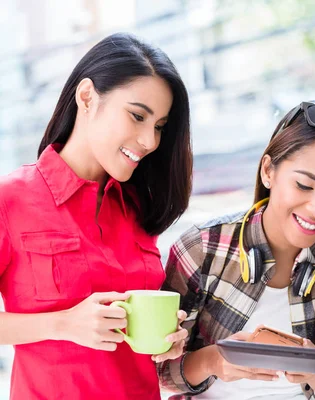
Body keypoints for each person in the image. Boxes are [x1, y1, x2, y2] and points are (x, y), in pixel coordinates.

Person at [0, 33, 193, 400]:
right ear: (87, 96)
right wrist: (61, 324)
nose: (150, 141)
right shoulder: (11, 199)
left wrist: (170, 339)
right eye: (137, 116)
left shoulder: (139, 209)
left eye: (159, 126)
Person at [157, 101, 315, 399]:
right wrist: (214, 360)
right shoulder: (203, 249)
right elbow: (160, 368)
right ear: (268, 171)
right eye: (304, 185)